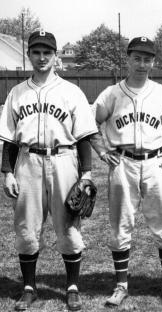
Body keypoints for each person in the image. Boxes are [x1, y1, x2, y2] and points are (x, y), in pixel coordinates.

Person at [0, 30, 98, 311]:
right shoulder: (16, 93)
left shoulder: (71, 92)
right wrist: (7, 172)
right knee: (27, 228)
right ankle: (29, 287)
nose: (42, 57)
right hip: (27, 162)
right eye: (36, 52)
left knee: (68, 226)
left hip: (63, 160)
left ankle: (72, 287)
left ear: (55, 57)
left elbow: (83, 137)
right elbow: (9, 138)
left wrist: (87, 173)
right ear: (29, 55)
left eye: (47, 53)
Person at [90, 36, 162, 307]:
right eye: (137, 58)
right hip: (123, 163)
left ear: (153, 62)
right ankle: (121, 285)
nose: (142, 64)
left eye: (147, 59)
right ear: (128, 59)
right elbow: (91, 125)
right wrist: (102, 151)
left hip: (157, 163)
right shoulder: (111, 94)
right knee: (120, 226)